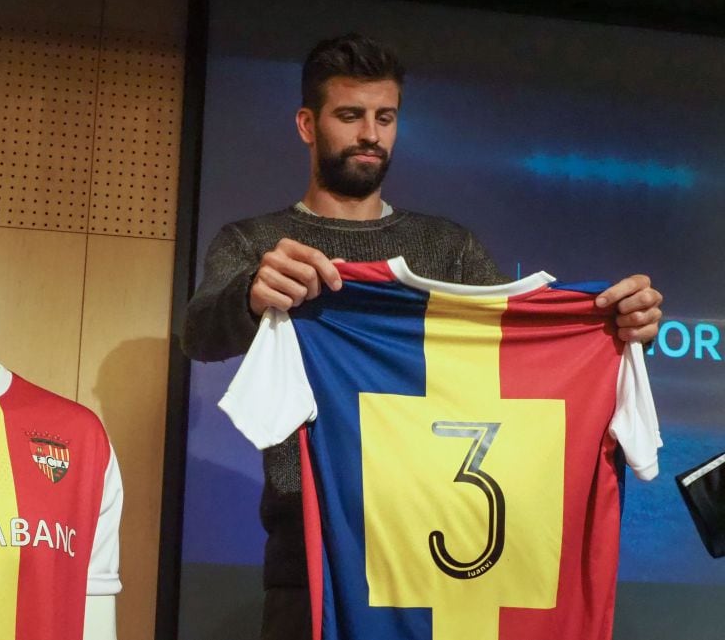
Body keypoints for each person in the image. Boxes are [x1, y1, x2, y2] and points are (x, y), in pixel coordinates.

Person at [181, 33, 663, 640]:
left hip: (446, 560)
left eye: (385, 118)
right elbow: (198, 333)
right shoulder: (258, 243)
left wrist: (614, 326)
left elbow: (517, 358)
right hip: (312, 558)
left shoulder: (447, 247)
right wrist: (252, 292)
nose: (370, 135)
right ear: (308, 124)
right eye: (350, 116)